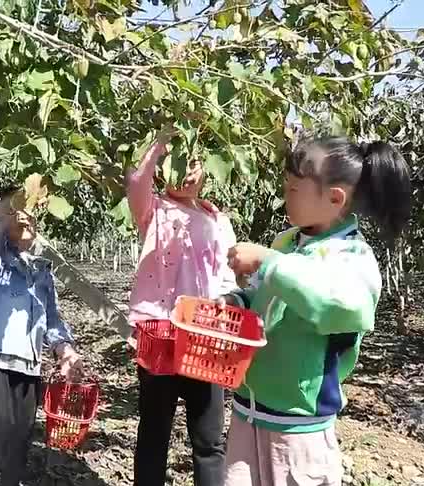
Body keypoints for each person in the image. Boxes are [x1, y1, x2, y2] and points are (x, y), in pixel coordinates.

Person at [221, 137, 411, 486]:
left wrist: (269, 263)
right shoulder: (286, 242)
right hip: (248, 408)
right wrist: (235, 303)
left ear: (334, 198)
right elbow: (262, 297)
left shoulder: (352, 258)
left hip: (298, 423)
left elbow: (339, 306)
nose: (285, 193)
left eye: (294, 188)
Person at [126, 125, 239, 486]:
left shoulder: (219, 221)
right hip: (160, 336)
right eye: (178, 163)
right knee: (154, 433)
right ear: (162, 169)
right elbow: (137, 179)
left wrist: (227, 306)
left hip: (205, 340)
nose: (188, 172)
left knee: (209, 440)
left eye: (194, 163)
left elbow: (228, 278)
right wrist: (161, 138)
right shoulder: (155, 211)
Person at [0, 187, 83, 486]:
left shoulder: (41, 270)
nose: (25, 218)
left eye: (31, 212)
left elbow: (51, 318)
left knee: (16, 457)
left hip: (29, 373)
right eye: (17, 210)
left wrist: (65, 351)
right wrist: (9, 209)